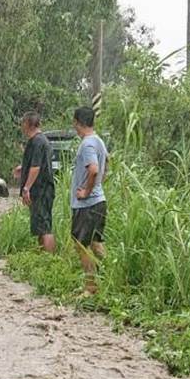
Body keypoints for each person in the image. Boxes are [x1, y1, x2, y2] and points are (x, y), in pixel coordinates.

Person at [70, 106, 109, 296]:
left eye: (74, 123)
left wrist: (86, 190)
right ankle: (110, 278)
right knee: (96, 243)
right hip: (99, 201)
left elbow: (93, 169)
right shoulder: (99, 141)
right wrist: (98, 185)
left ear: (78, 122)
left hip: (87, 204)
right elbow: (105, 165)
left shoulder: (87, 144)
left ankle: (90, 287)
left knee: (80, 244)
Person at [13, 111, 57, 253]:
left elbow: (36, 167)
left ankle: (50, 261)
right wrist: (23, 168)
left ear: (28, 124)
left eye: (23, 123)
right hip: (42, 189)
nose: (21, 127)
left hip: (41, 190)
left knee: (44, 227)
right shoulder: (40, 140)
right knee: (39, 226)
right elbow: (39, 164)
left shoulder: (37, 141)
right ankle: (42, 257)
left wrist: (26, 188)